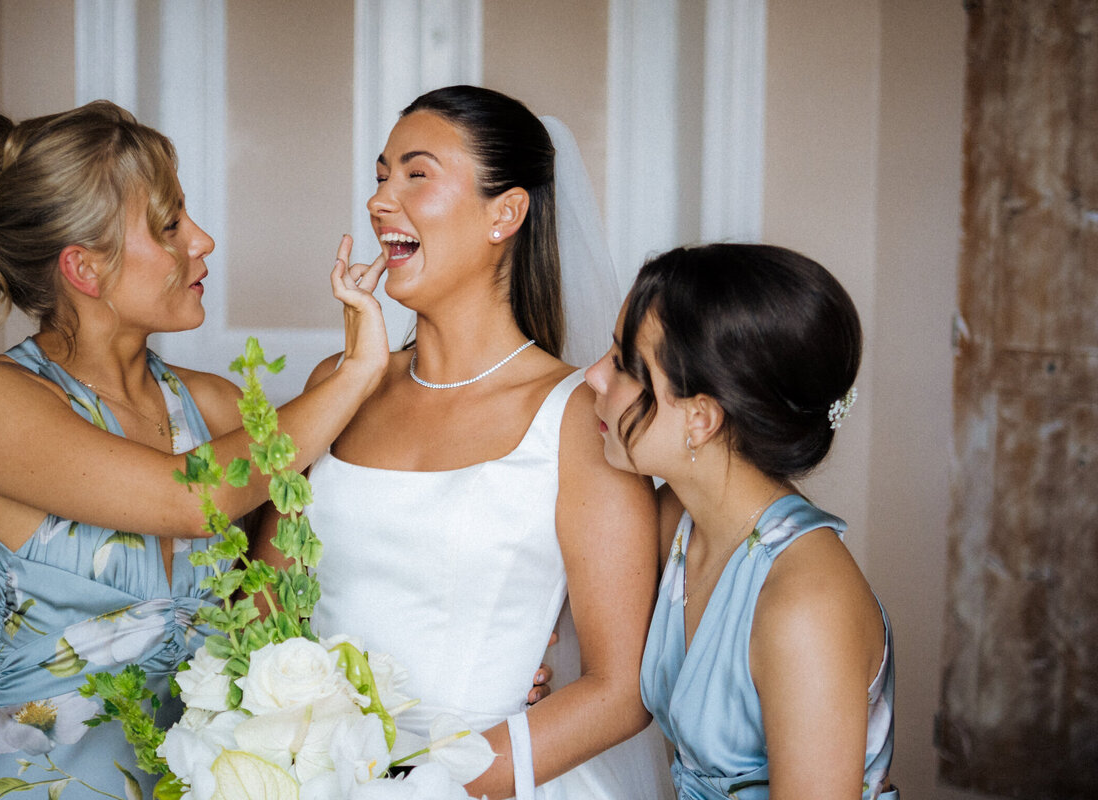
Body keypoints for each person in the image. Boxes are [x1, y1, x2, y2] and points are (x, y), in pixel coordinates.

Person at [0, 101, 389, 799]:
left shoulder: (212, 408)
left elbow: (294, 585)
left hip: (202, 783)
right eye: (171, 224)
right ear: (85, 270)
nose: (203, 240)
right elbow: (190, 498)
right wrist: (357, 373)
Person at [257, 85, 673, 799]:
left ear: (505, 213)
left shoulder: (578, 416)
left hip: (486, 780)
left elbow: (620, 688)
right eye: (382, 175)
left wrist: (414, 785)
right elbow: (263, 606)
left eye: (416, 174)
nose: (381, 200)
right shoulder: (342, 381)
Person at [584, 244, 899, 799]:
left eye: (624, 366)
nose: (592, 377)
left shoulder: (804, 605)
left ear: (700, 418)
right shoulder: (673, 521)